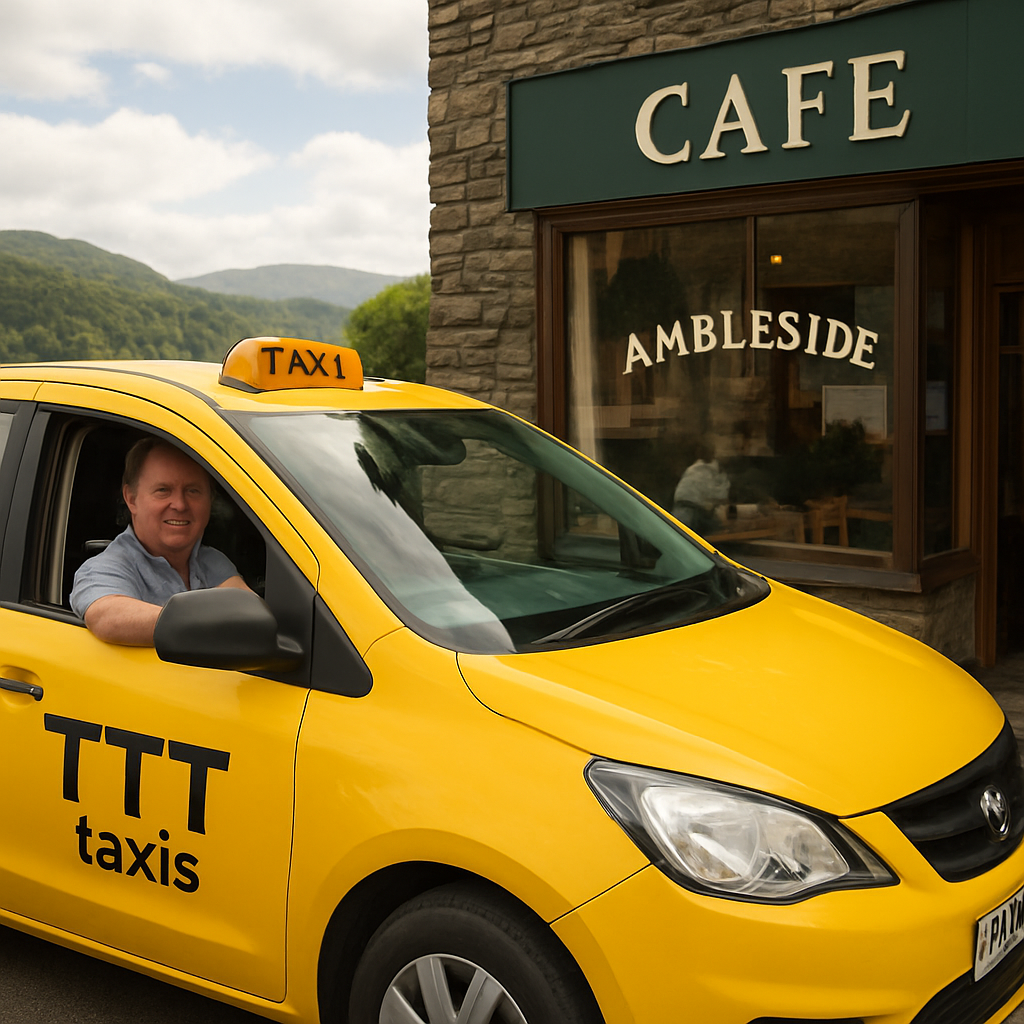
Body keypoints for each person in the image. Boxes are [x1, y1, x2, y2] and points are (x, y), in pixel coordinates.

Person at [70, 438, 249, 645]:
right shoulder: (105, 568)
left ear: (210, 499)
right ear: (131, 498)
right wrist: (213, 624)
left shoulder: (212, 560)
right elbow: (107, 617)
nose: (180, 505)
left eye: (192, 490)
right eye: (163, 490)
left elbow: (250, 610)